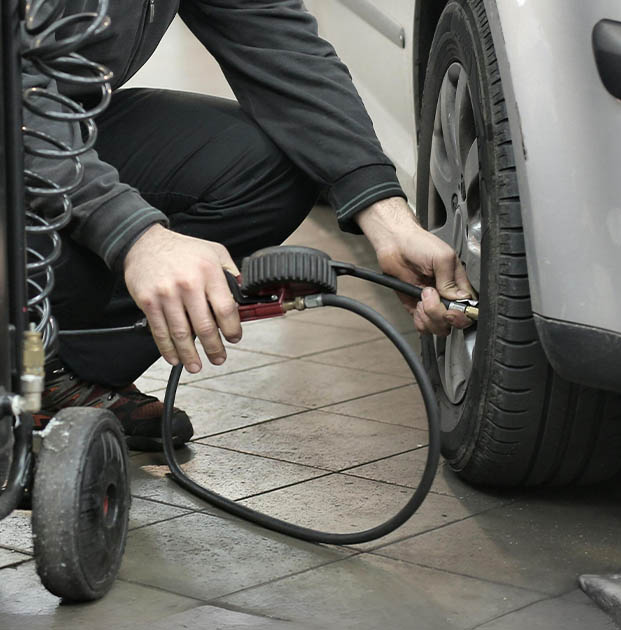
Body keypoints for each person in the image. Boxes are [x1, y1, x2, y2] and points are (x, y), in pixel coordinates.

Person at [27, 0, 474, 451]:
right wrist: (134, 236)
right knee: (58, 222)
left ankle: (60, 367)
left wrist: (387, 217)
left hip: (62, 119)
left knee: (271, 167)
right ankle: (0, 352)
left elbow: (278, 42)